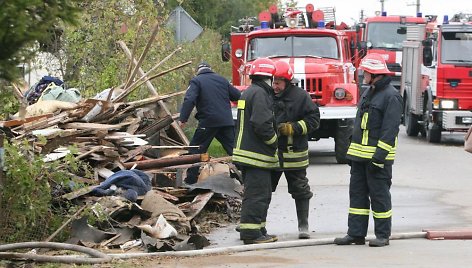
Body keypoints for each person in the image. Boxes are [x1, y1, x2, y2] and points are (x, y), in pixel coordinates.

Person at [334, 53, 403, 247]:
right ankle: (355, 234)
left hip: (377, 160)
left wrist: (379, 157)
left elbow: (390, 131)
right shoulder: (368, 92)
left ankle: (382, 235)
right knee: (357, 197)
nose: (363, 75)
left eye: (366, 72)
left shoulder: (391, 97)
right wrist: (351, 152)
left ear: (375, 74)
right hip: (359, 158)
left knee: (379, 198)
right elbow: (359, 125)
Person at [271, 61, 320, 239]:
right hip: (273, 153)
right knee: (263, 188)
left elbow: (314, 120)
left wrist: (293, 128)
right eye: (273, 82)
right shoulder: (267, 95)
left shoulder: (301, 97)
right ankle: (258, 225)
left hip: (294, 153)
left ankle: (303, 225)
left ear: (287, 82)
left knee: (300, 189)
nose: (275, 86)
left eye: (278, 83)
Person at [233, 58, 279, 244]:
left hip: (249, 154)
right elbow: (261, 123)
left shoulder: (250, 92)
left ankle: (259, 229)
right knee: (257, 196)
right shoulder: (260, 94)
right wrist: (274, 141)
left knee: (261, 194)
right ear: (268, 77)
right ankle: (251, 234)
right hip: (256, 155)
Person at [179, 62, 241, 184]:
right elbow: (237, 95)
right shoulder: (222, 80)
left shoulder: (196, 81)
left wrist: (183, 118)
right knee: (234, 150)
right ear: (210, 69)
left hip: (208, 122)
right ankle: (245, 174)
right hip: (226, 121)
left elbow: (189, 99)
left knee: (195, 150)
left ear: (198, 71)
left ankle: (190, 180)